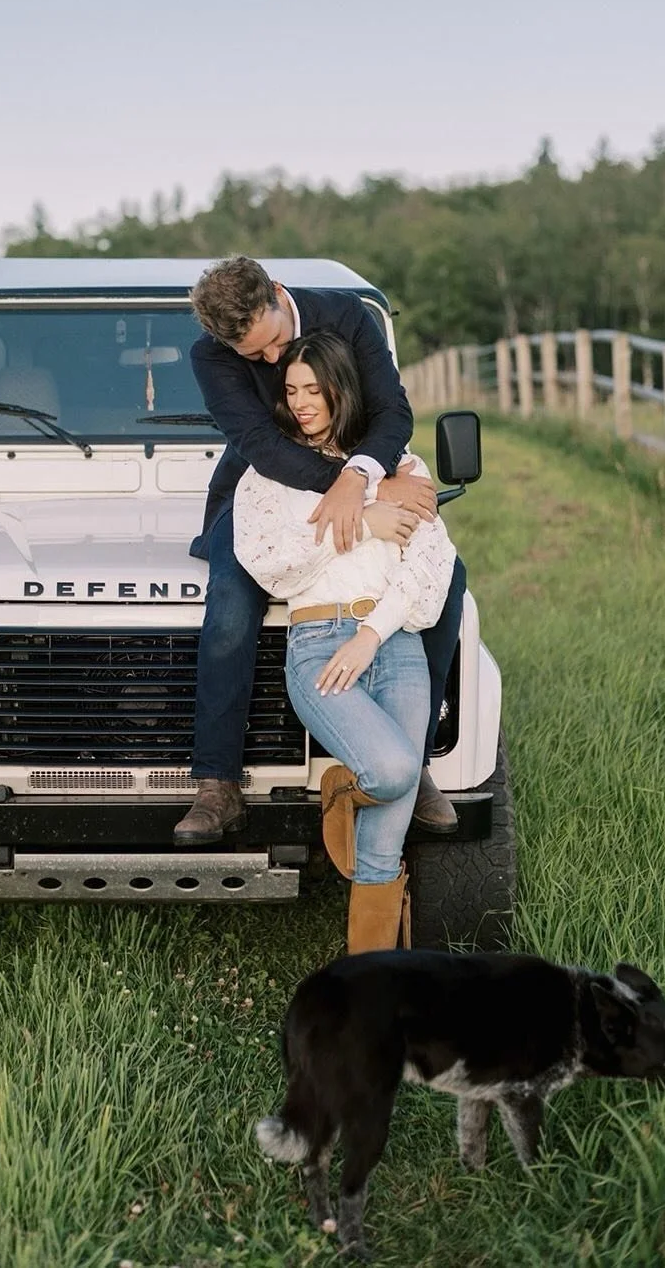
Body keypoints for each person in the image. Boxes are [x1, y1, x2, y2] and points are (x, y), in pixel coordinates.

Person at [174, 255, 464, 845]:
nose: (274, 360)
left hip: (358, 461)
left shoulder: (348, 315)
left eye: (276, 341)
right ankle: (217, 782)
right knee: (230, 599)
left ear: (278, 295)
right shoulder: (211, 355)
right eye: (255, 358)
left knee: (450, 580)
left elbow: (392, 412)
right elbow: (259, 444)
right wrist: (368, 490)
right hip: (265, 487)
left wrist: (359, 478)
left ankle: (414, 761)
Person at [233, 330, 457, 950]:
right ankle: (342, 788)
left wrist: (372, 634)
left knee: (384, 847)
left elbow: (431, 563)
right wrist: (363, 524)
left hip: (392, 642)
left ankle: (371, 991)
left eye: (314, 388)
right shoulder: (271, 474)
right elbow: (269, 562)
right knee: (390, 771)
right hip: (318, 644)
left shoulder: (400, 466)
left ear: (341, 388)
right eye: (291, 390)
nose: (301, 401)